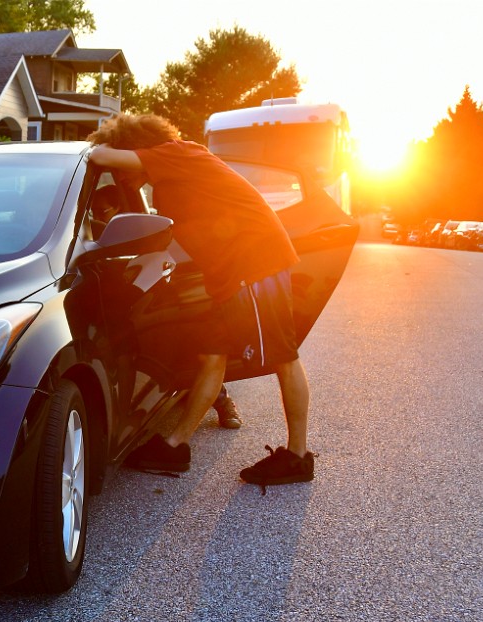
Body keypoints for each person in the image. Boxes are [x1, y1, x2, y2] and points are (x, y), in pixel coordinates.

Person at [88, 113, 314, 487]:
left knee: (283, 358)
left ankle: (298, 456)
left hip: (255, 264)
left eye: (124, 162)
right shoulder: (167, 181)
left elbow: (100, 158)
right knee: (211, 356)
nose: (121, 177)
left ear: (137, 147)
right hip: (228, 275)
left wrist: (86, 151)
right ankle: (176, 446)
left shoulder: (178, 153)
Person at [90, 184, 246, 431]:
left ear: (119, 209)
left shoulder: (132, 230)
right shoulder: (96, 232)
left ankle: (222, 400)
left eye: (102, 211)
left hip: (150, 291)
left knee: (193, 349)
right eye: (92, 214)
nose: (97, 218)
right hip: (113, 297)